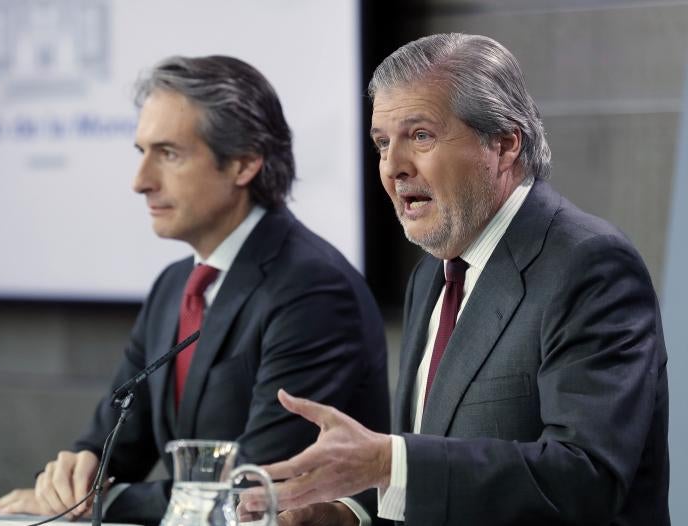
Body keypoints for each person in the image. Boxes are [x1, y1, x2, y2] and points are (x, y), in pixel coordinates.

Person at [243, 33, 670, 525]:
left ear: (504, 144)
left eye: (420, 136)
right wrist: (347, 514)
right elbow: (437, 463)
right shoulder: (432, 274)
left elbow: (585, 478)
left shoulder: (590, 266)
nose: (393, 167)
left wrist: (387, 462)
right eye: (382, 143)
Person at [0, 55, 390, 525]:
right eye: (141, 152)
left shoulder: (313, 289)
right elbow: (113, 446)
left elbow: (255, 487)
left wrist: (101, 501)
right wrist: (72, 477)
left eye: (169, 154)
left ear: (243, 163)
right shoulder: (173, 286)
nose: (140, 182)